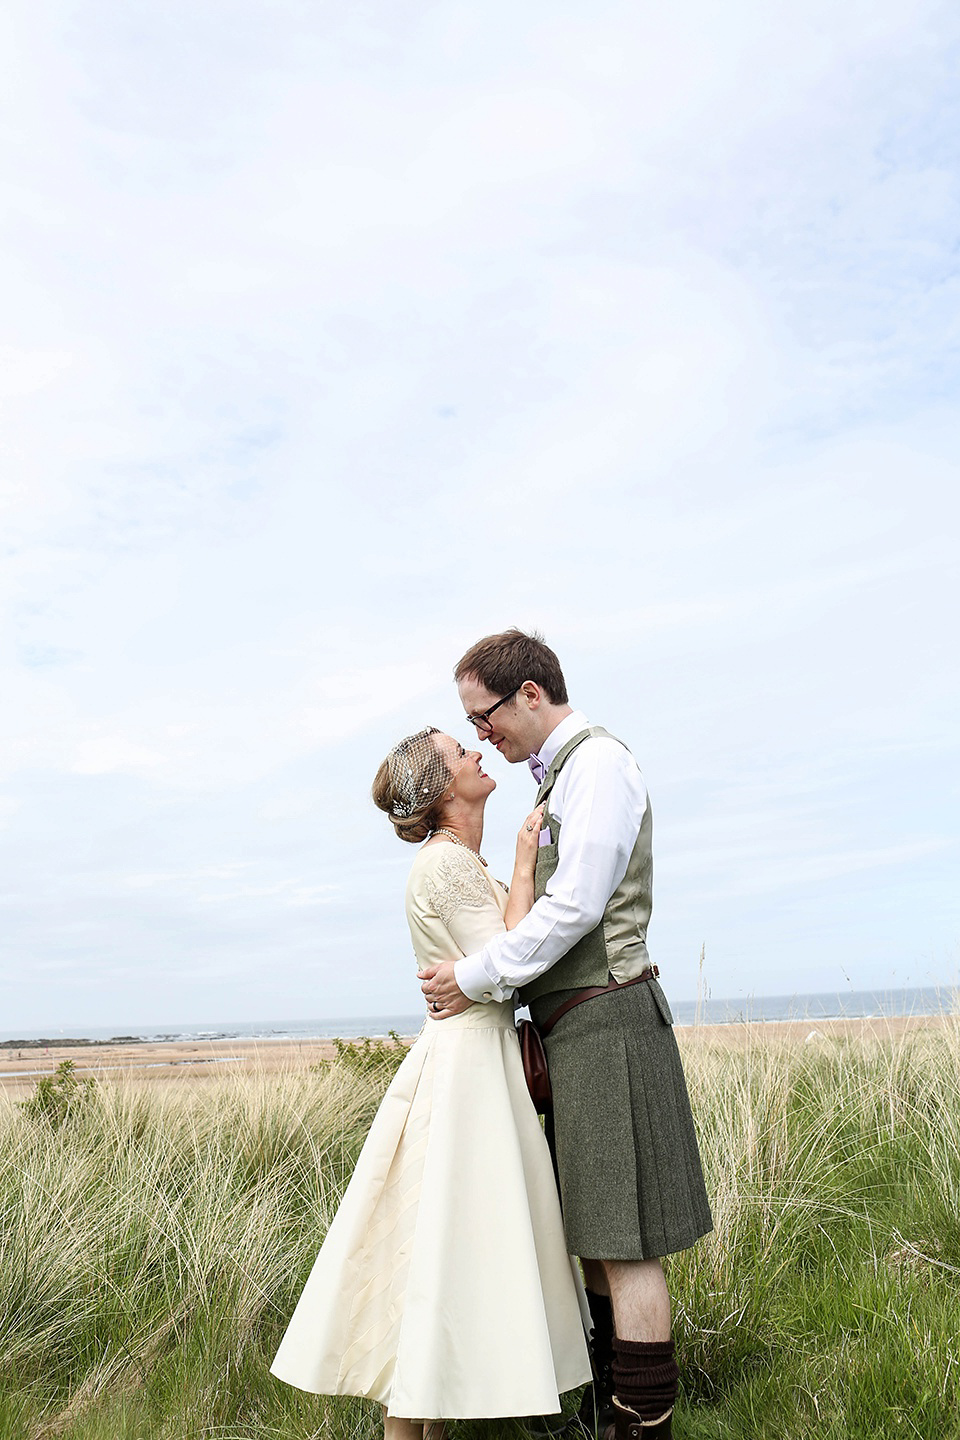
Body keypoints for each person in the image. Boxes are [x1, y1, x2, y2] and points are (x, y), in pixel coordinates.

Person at [419, 632, 713, 1440]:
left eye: (483, 717)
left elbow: (578, 904)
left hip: (610, 1019)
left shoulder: (600, 766)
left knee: (626, 1241)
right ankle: (604, 1399)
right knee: (591, 1232)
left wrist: (476, 975)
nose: (483, 734)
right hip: (574, 1031)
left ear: (529, 696)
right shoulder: (560, 776)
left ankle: (641, 1419)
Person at [270, 725, 591, 1440]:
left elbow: (501, 957)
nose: (478, 754)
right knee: (441, 1253)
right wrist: (522, 861)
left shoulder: (461, 864)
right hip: (466, 1075)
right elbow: (510, 959)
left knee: (446, 1260)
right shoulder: (444, 867)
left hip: (481, 1063)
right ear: (445, 788)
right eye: (461, 752)